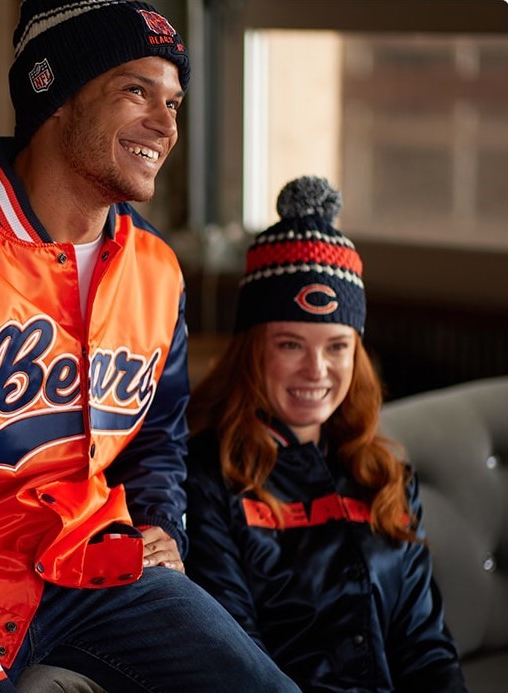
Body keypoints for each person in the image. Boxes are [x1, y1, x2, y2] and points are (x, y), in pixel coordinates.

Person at [0, 2, 300, 692]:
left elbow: (157, 436)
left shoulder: (156, 268)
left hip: (94, 568)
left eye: (174, 102)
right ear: (55, 96)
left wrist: (161, 523)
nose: (165, 125)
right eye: (136, 91)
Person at [184, 175, 468, 692]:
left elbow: (426, 648)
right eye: (291, 344)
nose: (317, 370)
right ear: (254, 350)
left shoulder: (385, 475)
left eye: (336, 346)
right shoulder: (206, 477)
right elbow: (236, 663)